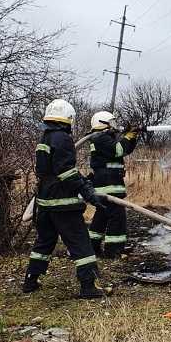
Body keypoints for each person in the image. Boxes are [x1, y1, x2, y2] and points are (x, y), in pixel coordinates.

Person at [22, 99, 108, 298]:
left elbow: (51, 170)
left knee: (43, 243)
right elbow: (66, 172)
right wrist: (88, 192)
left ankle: (30, 280)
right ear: (68, 119)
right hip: (63, 204)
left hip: (44, 202)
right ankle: (88, 286)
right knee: (80, 243)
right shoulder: (62, 138)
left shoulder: (45, 138)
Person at [87, 111, 138, 259]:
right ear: (103, 123)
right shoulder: (101, 137)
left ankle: (92, 246)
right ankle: (114, 250)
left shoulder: (101, 138)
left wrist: (132, 137)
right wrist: (127, 137)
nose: (115, 125)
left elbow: (124, 149)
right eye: (112, 122)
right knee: (117, 217)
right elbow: (119, 150)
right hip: (109, 184)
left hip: (106, 183)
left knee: (102, 215)